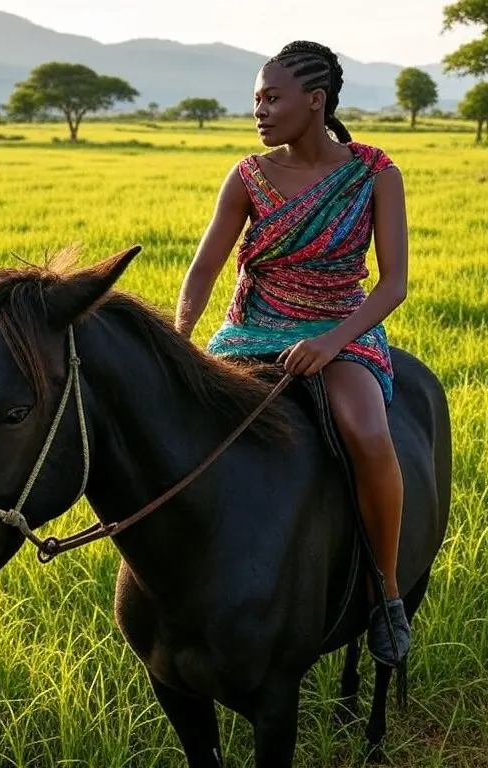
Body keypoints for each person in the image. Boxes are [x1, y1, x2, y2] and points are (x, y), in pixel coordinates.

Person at [173, 40, 411, 667]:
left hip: (342, 326)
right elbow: (204, 269)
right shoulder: (248, 174)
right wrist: (182, 337)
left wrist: (333, 342)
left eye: (272, 98)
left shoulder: (376, 172)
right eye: (256, 98)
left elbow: (393, 285)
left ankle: (384, 589)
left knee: (365, 431)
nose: (260, 110)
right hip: (253, 327)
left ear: (316, 100)